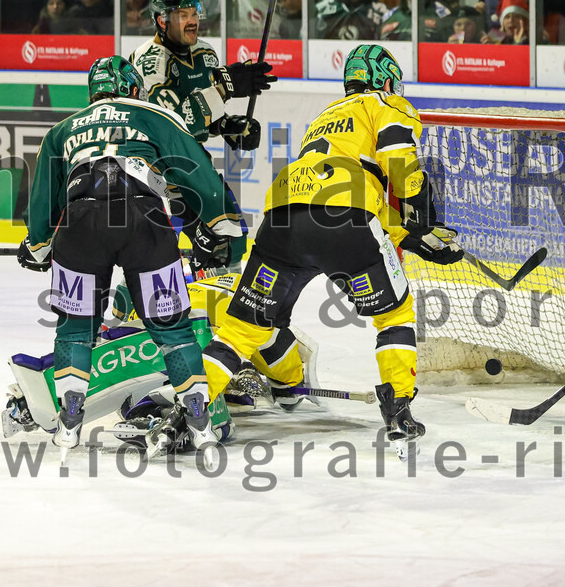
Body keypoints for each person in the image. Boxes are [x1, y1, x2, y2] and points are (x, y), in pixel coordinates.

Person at [196, 44, 464, 457]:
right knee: (394, 313)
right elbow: (395, 167)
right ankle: (398, 406)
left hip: (282, 215)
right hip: (345, 218)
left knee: (242, 329)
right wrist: (424, 221)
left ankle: (190, 406)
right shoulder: (387, 103)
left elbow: (343, 194)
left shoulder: (326, 118)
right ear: (385, 79)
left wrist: (412, 235)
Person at [16, 56, 247, 464]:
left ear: (92, 93)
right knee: (173, 330)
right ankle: (200, 424)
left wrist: (37, 247)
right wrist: (221, 225)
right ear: (133, 89)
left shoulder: (63, 129)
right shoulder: (151, 112)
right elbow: (194, 167)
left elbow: (42, 203)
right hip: (145, 216)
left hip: (79, 220)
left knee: (75, 328)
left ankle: (69, 424)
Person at [128, 0, 276, 148]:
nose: (193, 22)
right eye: (183, 15)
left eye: (194, 13)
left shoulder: (205, 53)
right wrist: (224, 88)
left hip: (189, 156)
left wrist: (225, 125)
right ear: (162, 22)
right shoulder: (149, 63)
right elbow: (176, 124)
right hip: (155, 160)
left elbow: (201, 117)